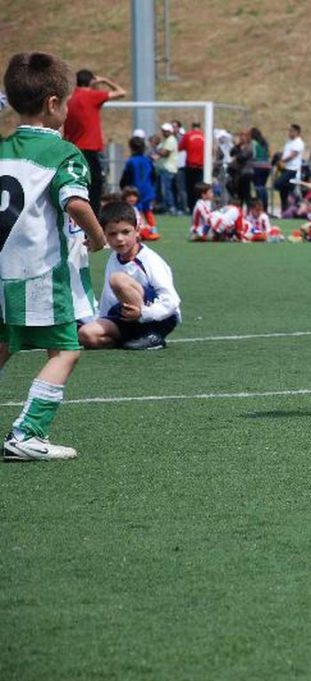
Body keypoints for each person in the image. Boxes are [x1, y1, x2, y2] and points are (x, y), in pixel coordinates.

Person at [0, 52, 106, 461]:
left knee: (3, 345)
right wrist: (97, 238)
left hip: (2, 271)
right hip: (38, 272)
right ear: (51, 104)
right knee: (65, 350)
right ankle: (28, 432)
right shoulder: (63, 154)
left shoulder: (5, 148)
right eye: (67, 103)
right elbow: (76, 203)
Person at [78, 201, 181, 351]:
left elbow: (172, 300)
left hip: (156, 317)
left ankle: (152, 335)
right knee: (86, 334)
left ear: (137, 230)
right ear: (104, 234)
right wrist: (101, 320)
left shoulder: (149, 259)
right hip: (126, 316)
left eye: (126, 232)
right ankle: (130, 339)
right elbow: (108, 296)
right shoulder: (114, 257)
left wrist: (143, 313)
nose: (119, 239)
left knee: (117, 280)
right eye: (112, 234)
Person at [63, 68, 126, 213]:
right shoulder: (91, 96)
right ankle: (93, 219)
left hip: (73, 149)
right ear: (91, 81)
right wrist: (104, 81)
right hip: (90, 149)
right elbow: (121, 92)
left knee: (78, 185)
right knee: (96, 186)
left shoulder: (70, 98)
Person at [119, 135, 157, 233]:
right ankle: (153, 229)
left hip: (135, 191)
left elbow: (126, 177)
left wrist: (123, 187)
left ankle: (139, 230)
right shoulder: (148, 160)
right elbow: (154, 175)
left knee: (137, 211)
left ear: (131, 148)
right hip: (148, 190)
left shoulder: (131, 161)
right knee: (147, 210)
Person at [273, 123, 304, 215]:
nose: (289, 132)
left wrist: (281, 160)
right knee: (283, 192)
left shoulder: (298, 142)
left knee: (277, 184)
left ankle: (296, 202)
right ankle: (284, 211)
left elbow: (292, 155)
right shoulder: (289, 142)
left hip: (293, 169)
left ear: (297, 132)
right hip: (285, 168)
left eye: (291, 131)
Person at [152, 122, 180, 214]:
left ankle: (170, 207)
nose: (163, 132)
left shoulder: (171, 140)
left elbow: (165, 153)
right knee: (161, 189)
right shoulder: (166, 140)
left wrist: (156, 148)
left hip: (168, 169)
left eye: (165, 131)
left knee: (167, 190)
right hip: (163, 169)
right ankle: (163, 206)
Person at [180, 122, 205, 210]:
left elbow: (180, 147)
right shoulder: (204, 136)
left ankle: (191, 207)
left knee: (190, 188)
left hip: (190, 165)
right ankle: (200, 206)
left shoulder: (187, 135)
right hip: (201, 166)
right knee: (199, 187)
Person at [250, 127, 271, 210]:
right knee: (262, 187)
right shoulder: (264, 142)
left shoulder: (253, 143)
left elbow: (253, 155)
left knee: (258, 186)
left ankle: (260, 205)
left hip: (257, 166)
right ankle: (264, 205)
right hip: (266, 166)